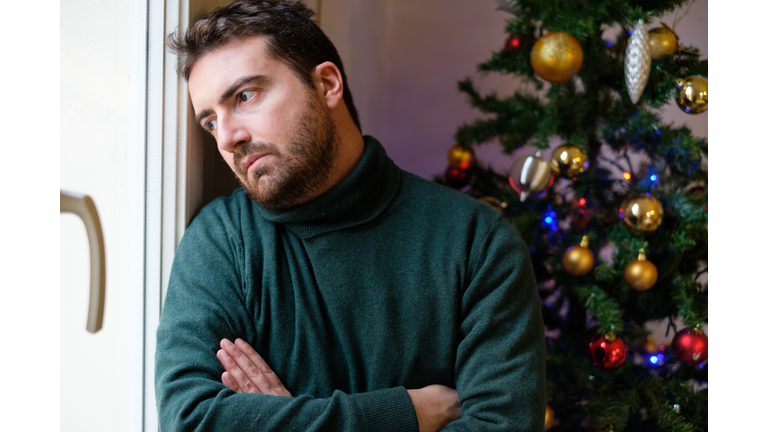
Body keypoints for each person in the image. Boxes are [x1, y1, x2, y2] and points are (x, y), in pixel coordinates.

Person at [155, 1, 546, 431]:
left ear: (326, 84)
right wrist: (404, 415)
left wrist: (286, 419)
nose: (228, 138)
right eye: (210, 122)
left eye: (245, 96)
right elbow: (192, 420)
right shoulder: (222, 241)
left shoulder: (478, 244)